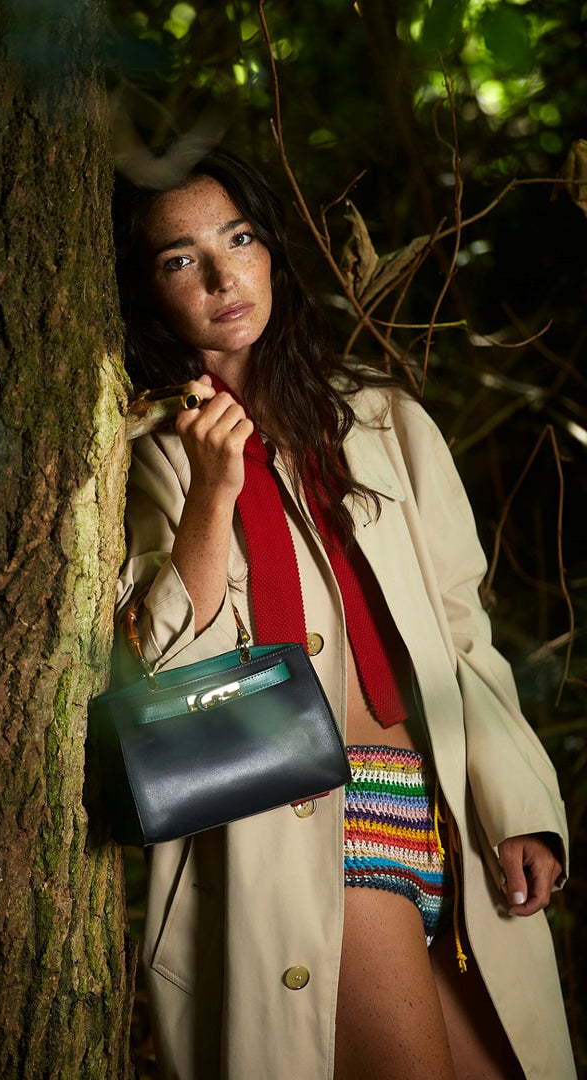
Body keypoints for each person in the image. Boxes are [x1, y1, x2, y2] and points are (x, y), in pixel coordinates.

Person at [111, 147, 575, 1080]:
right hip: (303, 818)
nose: (220, 275)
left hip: (434, 809)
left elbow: (459, 631)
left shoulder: (383, 420)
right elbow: (158, 670)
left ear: (272, 249)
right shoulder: (146, 450)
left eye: (238, 239)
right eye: (178, 258)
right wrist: (211, 491)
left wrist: (517, 805)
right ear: (147, 287)